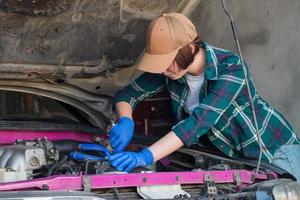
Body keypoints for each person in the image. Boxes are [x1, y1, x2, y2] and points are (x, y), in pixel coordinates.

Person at [107, 12, 300, 181]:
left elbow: (198, 124)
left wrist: (145, 157)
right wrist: (126, 121)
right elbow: (127, 95)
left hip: (275, 153)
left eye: (167, 62)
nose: (163, 69)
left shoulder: (232, 68)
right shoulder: (172, 72)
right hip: (239, 161)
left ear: (190, 48)